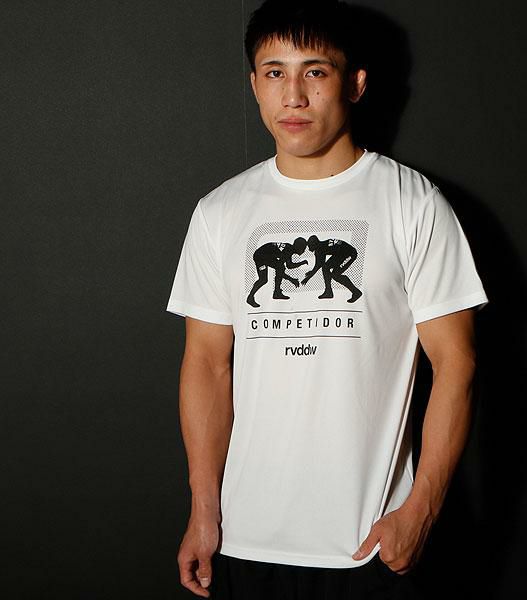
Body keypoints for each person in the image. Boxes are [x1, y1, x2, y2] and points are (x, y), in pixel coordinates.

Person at [166, 0, 489, 598]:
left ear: (356, 84)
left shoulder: (411, 202)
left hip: (368, 546)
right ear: (254, 85)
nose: (293, 95)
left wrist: (421, 510)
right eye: (275, 73)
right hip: (244, 542)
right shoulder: (219, 212)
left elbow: (457, 363)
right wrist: (203, 511)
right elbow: (207, 365)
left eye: (315, 71)